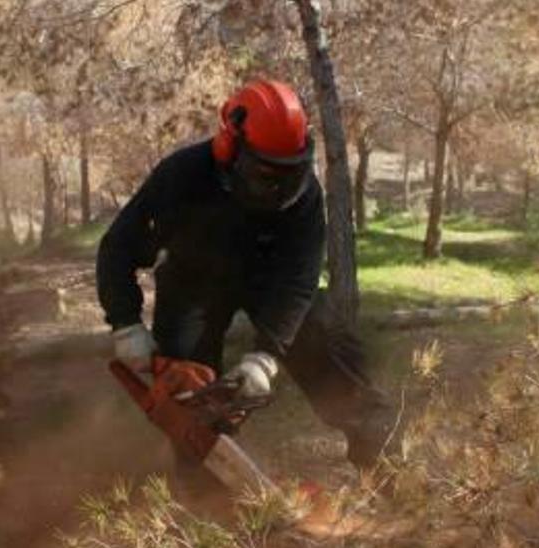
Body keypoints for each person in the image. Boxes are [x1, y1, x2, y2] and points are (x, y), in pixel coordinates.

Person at [96, 80, 397, 475]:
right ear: (229, 148)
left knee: (330, 348)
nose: (277, 186)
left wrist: (265, 357)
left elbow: (299, 278)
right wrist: (126, 324)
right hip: (193, 283)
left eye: (289, 174)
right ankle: (206, 496)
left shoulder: (305, 196)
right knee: (188, 394)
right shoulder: (182, 177)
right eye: (264, 173)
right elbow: (118, 247)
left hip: (272, 282)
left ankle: (384, 466)